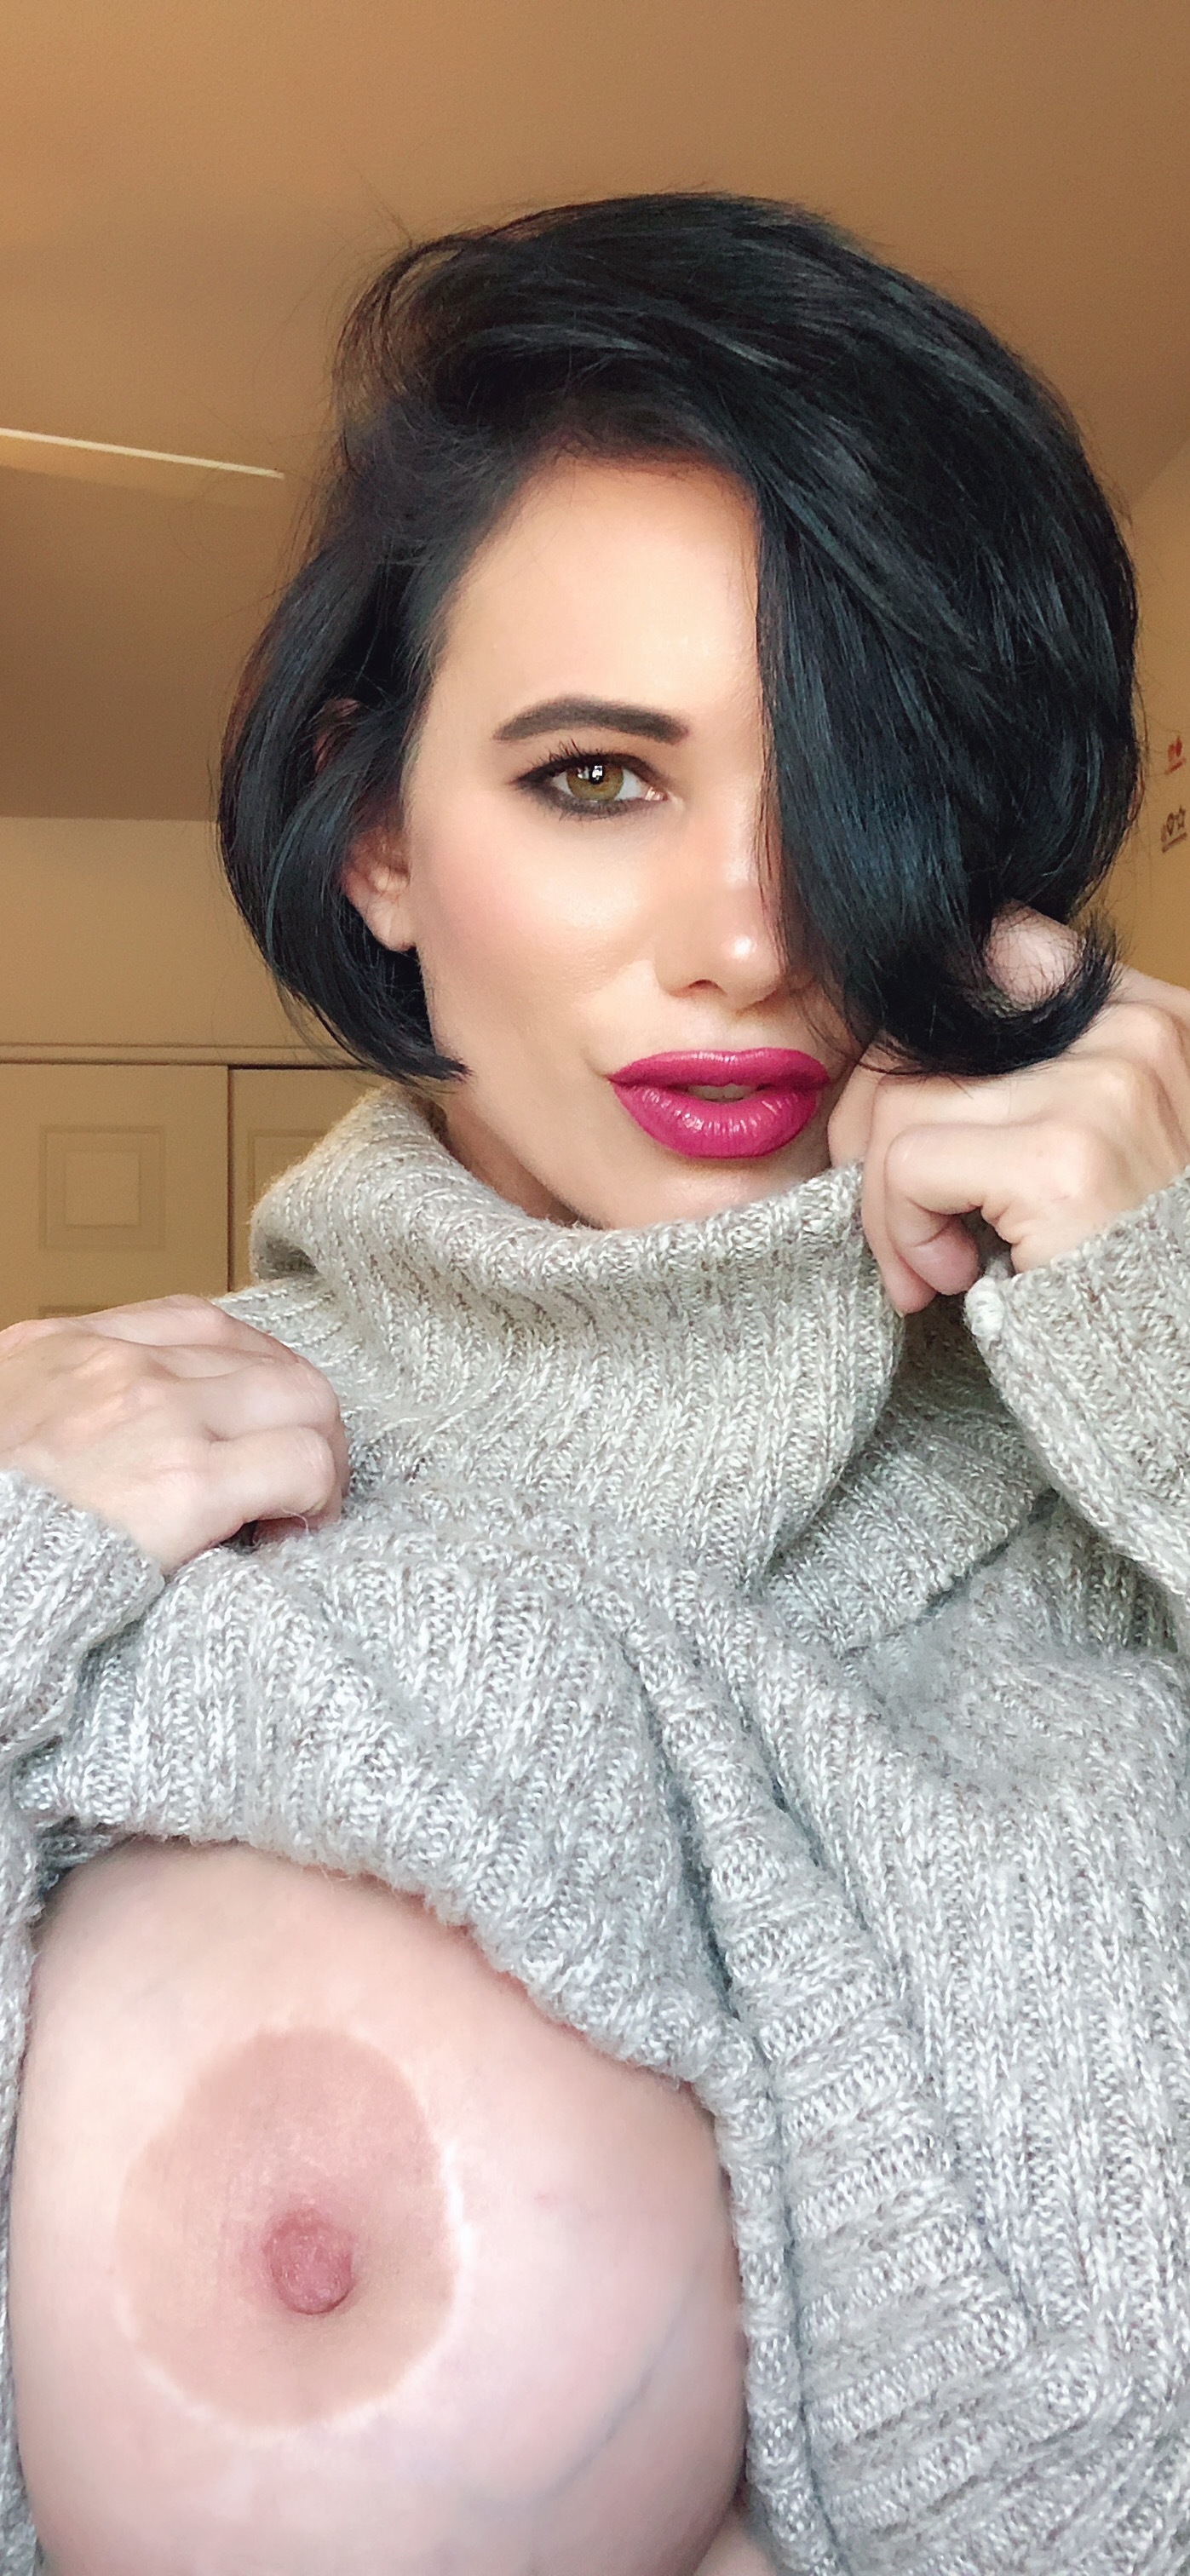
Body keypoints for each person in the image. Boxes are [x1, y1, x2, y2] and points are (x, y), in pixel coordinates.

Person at [0, 192, 1188, 2576]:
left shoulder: (1127, 1479)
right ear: (376, 839)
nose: (750, 933)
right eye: (596, 777)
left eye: (859, 778)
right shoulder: (103, 1495)